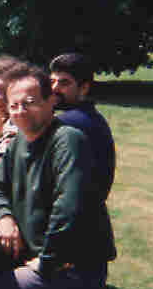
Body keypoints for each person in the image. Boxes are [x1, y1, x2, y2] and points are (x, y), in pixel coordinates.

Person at [0, 61, 117, 289]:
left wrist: (44, 263)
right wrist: (5, 217)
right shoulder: (21, 141)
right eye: (14, 105)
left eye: (30, 103)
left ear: (51, 101)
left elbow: (69, 209)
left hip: (70, 271)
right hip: (36, 256)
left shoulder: (68, 140)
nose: (20, 111)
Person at [49, 53, 116, 214]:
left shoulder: (70, 123)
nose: (54, 88)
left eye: (64, 83)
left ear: (84, 88)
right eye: (52, 81)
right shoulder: (91, 116)